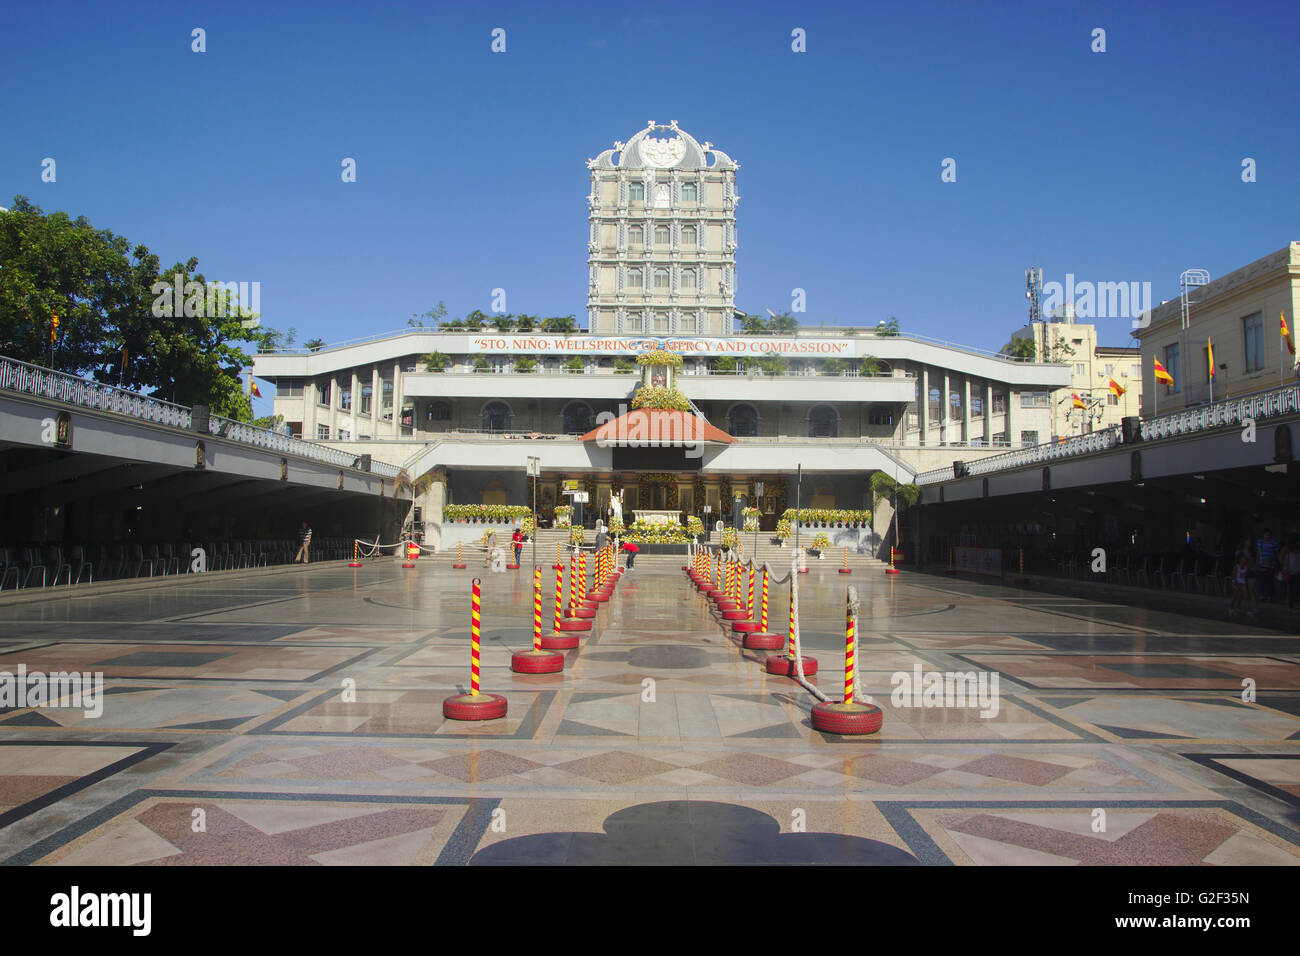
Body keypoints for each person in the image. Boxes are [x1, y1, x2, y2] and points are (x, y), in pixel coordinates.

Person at [1256, 530, 1278, 602]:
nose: (1267, 536)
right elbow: (1258, 552)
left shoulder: (1274, 543)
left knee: (1270, 581)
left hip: (1271, 564)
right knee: (1262, 580)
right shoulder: (1260, 542)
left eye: (1268, 535)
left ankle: (1270, 596)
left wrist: (1272, 560)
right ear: (1263, 535)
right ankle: (1262, 595)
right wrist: (1258, 563)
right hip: (1262, 564)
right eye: (1266, 535)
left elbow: (1276, 553)